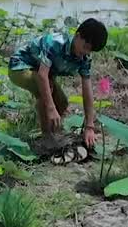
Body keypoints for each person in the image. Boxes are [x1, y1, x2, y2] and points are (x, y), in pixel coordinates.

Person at [8, 18, 108, 148]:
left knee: (62, 102)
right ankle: (46, 137)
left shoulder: (84, 58)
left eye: (90, 50)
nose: (86, 52)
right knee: (46, 90)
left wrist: (89, 126)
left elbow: (87, 89)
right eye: (85, 47)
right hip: (20, 67)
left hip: (41, 72)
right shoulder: (56, 43)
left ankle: (52, 130)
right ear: (77, 36)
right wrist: (50, 108)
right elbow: (42, 75)